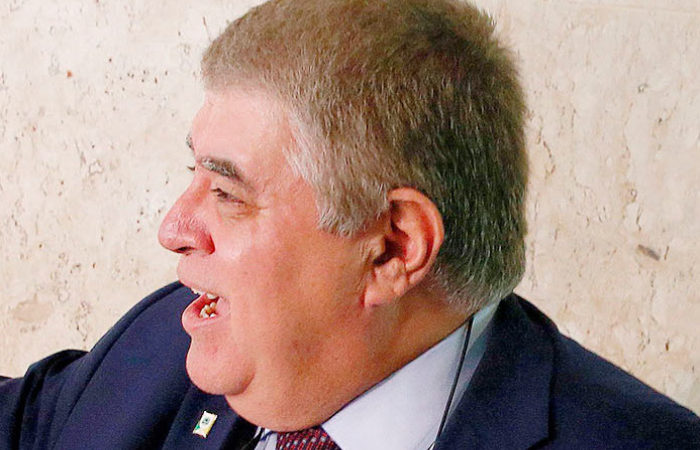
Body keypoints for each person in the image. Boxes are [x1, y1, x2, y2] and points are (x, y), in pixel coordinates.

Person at [1, 0, 698, 448]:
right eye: (193, 176)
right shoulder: (163, 345)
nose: (174, 227)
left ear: (392, 247)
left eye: (228, 192)